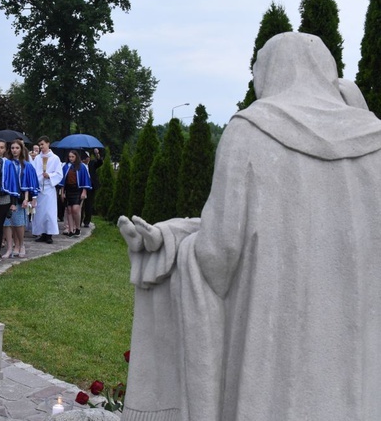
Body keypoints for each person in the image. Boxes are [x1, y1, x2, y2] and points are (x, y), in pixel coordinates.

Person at [117, 32, 381, 420]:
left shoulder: (250, 130)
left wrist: (174, 246)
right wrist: (172, 234)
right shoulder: (374, 139)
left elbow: (217, 256)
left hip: (275, 351)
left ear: (274, 70)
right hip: (356, 354)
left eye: (257, 68)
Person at [2, 139, 38, 258]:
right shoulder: (7, 163)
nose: (14, 150)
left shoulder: (26, 165)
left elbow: (29, 182)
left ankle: (21, 244)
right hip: (7, 196)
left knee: (18, 223)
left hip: (20, 197)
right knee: (7, 223)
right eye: (12, 148)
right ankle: (10, 247)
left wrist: (28, 198)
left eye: (17, 148)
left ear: (21, 149)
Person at [31, 136, 63, 243]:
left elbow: (59, 174)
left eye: (42, 144)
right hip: (39, 189)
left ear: (48, 144)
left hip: (49, 188)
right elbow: (34, 173)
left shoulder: (55, 158)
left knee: (49, 212)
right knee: (40, 213)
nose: (41, 147)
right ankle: (42, 233)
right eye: (39, 145)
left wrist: (49, 175)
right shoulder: (37, 159)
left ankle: (49, 234)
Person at [59, 150, 92, 237]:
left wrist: (84, 192)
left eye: (72, 157)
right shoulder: (66, 166)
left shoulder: (82, 166)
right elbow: (63, 181)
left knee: (75, 209)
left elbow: (85, 179)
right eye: (69, 157)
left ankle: (77, 228)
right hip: (68, 190)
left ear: (76, 157)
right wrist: (62, 193)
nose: (71, 159)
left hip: (77, 190)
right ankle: (70, 230)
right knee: (69, 210)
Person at [81, 149, 102, 228]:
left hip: (90, 186)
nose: (84, 159)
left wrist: (97, 154)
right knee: (80, 204)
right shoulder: (80, 165)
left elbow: (100, 162)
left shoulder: (92, 163)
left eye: (86, 158)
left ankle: (87, 221)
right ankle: (79, 220)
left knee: (88, 204)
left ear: (89, 158)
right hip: (82, 186)